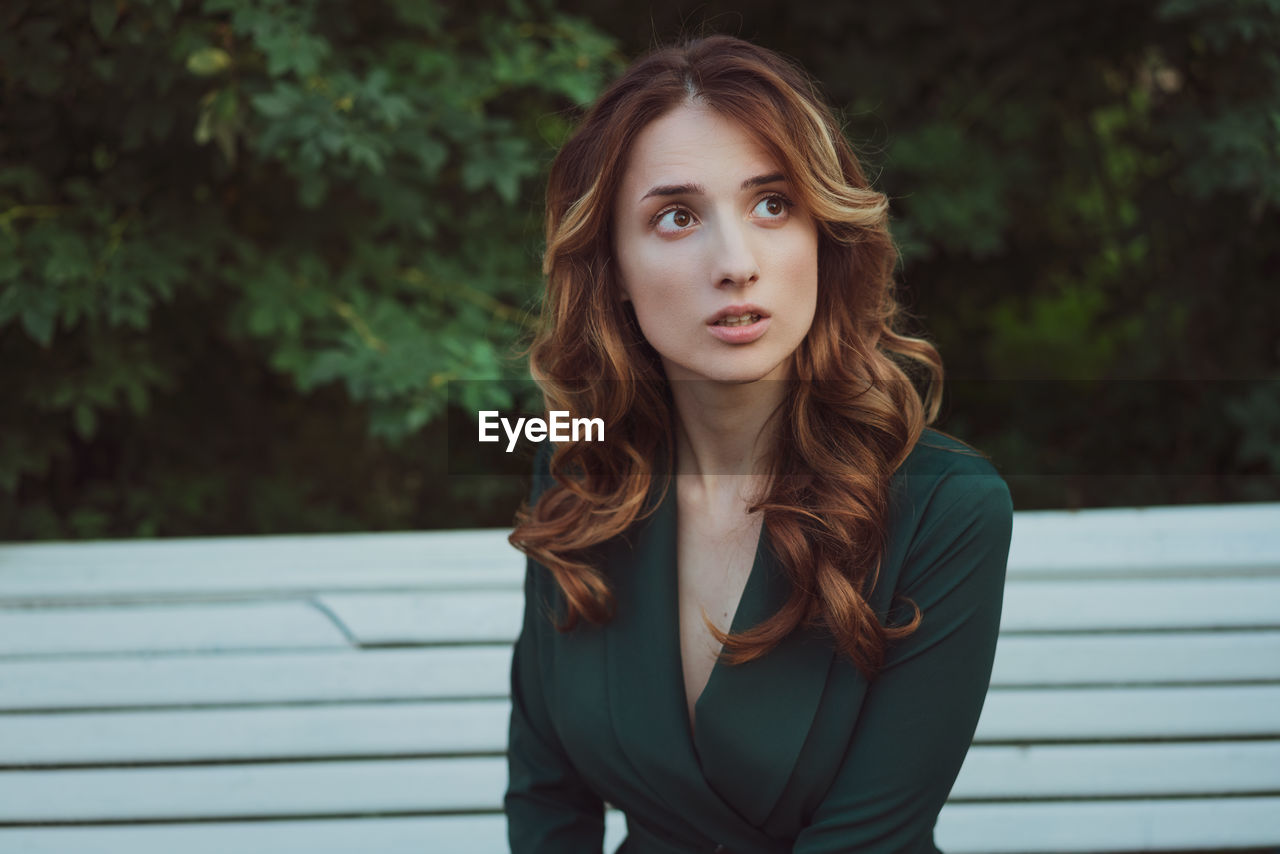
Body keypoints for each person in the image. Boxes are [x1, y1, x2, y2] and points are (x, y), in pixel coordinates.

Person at [505, 34, 1014, 854]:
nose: (736, 263)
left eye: (772, 204)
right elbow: (546, 798)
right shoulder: (576, 464)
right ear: (612, 269)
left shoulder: (948, 507)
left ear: (824, 234)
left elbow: (867, 842)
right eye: (676, 217)